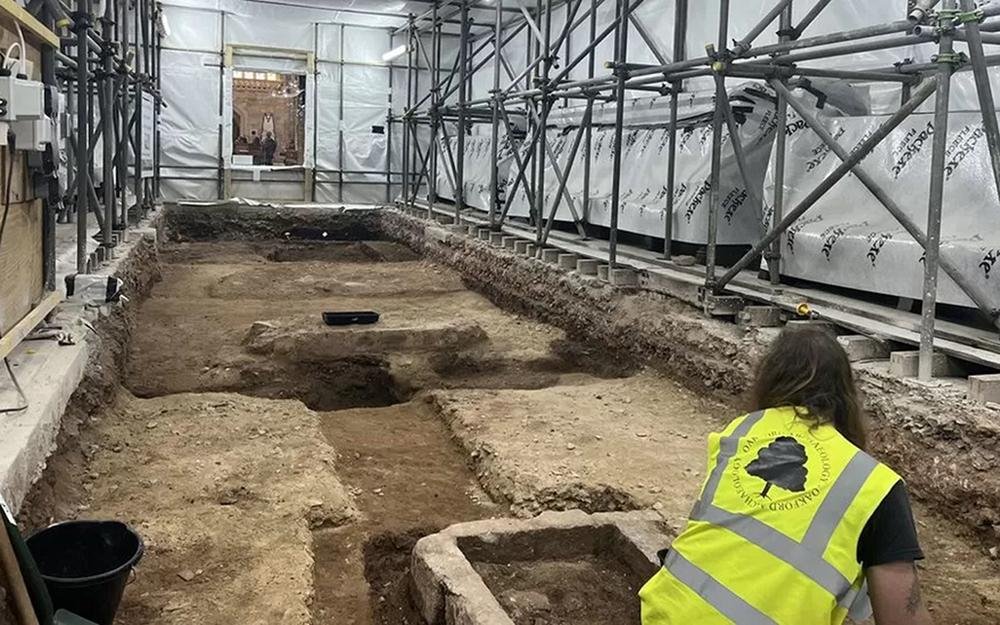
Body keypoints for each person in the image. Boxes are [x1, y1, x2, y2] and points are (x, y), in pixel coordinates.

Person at [640, 326, 931, 625]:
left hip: (667, 612)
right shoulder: (875, 486)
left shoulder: (739, 433)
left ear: (768, 380)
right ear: (846, 394)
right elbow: (902, 618)